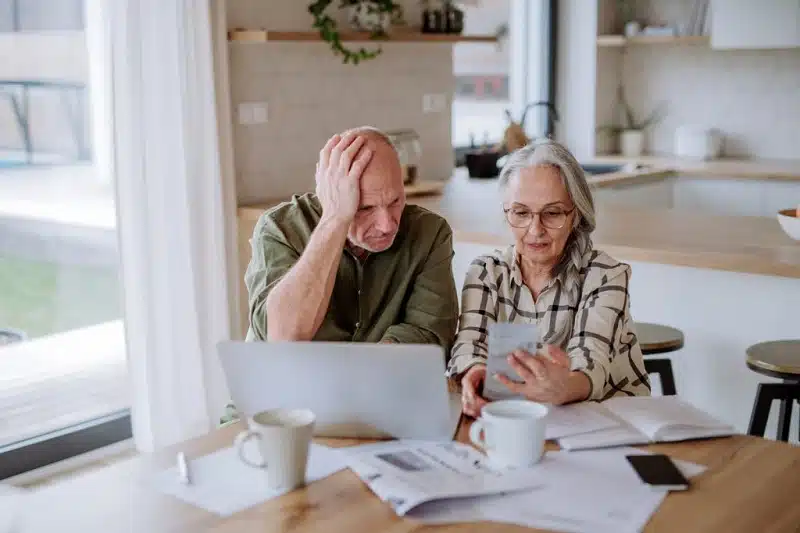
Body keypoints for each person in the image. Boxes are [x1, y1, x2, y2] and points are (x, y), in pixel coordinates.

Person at [448, 139, 650, 417]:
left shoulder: (605, 275)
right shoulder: (486, 272)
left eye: (552, 213)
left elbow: (592, 361)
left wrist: (564, 386)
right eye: (521, 213)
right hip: (523, 420)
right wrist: (475, 371)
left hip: (610, 420)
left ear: (575, 215)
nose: (535, 230)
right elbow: (469, 343)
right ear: (507, 213)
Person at [244, 126, 459, 350]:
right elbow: (282, 338)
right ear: (329, 195)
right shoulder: (280, 228)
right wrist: (336, 220)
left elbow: (430, 335)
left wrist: (362, 370)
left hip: (385, 381)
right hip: (299, 383)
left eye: (395, 201)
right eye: (364, 208)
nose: (387, 225)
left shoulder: (430, 233)